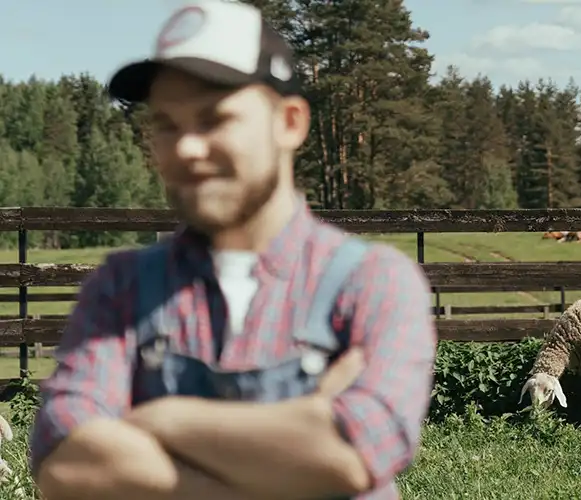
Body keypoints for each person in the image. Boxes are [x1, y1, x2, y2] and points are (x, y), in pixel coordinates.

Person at [28, 2, 437, 499]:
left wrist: (158, 419)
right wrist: (305, 425)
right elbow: (64, 461)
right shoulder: (120, 287)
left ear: (289, 122)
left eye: (214, 118)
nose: (186, 149)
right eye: (166, 124)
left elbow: (357, 452)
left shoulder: (373, 281)